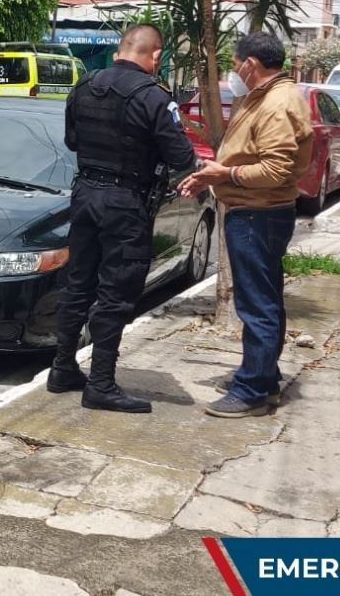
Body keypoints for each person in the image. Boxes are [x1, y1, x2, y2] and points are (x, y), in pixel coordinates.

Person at [47, 24, 199, 413]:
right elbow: (182, 157)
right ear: (155, 56)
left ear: (121, 49)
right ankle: (100, 384)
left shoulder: (84, 85)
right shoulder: (153, 96)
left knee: (78, 283)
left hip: (85, 195)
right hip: (125, 202)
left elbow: (72, 141)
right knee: (117, 291)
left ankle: (62, 367)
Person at [178, 32, 312, 418]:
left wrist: (227, 173)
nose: (234, 72)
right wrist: (217, 175)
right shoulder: (270, 97)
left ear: (250, 64)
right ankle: (262, 378)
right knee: (262, 299)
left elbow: (275, 168)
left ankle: (253, 390)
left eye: (235, 65)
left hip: (258, 212)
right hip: (255, 209)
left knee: (257, 304)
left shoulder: (275, 103)